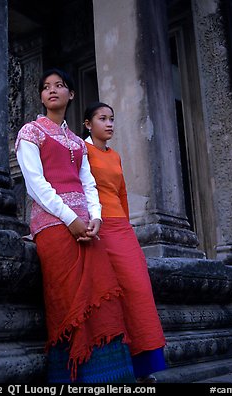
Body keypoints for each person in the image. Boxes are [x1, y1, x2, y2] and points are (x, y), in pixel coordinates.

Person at [15, 69, 136, 384]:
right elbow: (35, 184)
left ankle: (108, 376)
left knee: (103, 294)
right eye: (46, 87)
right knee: (69, 298)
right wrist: (70, 219)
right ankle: (71, 375)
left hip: (87, 226)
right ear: (41, 96)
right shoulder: (30, 132)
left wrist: (95, 217)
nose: (52, 90)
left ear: (69, 94)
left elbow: (88, 183)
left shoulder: (76, 142)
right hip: (54, 224)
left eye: (59, 85)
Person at [83, 101, 167, 383]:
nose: (109, 124)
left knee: (139, 289)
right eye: (102, 119)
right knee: (110, 295)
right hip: (98, 226)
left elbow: (121, 194)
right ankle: (115, 367)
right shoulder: (82, 151)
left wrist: (127, 227)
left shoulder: (115, 156)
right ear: (88, 125)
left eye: (112, 119)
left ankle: (143, 366)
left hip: (121, 228)